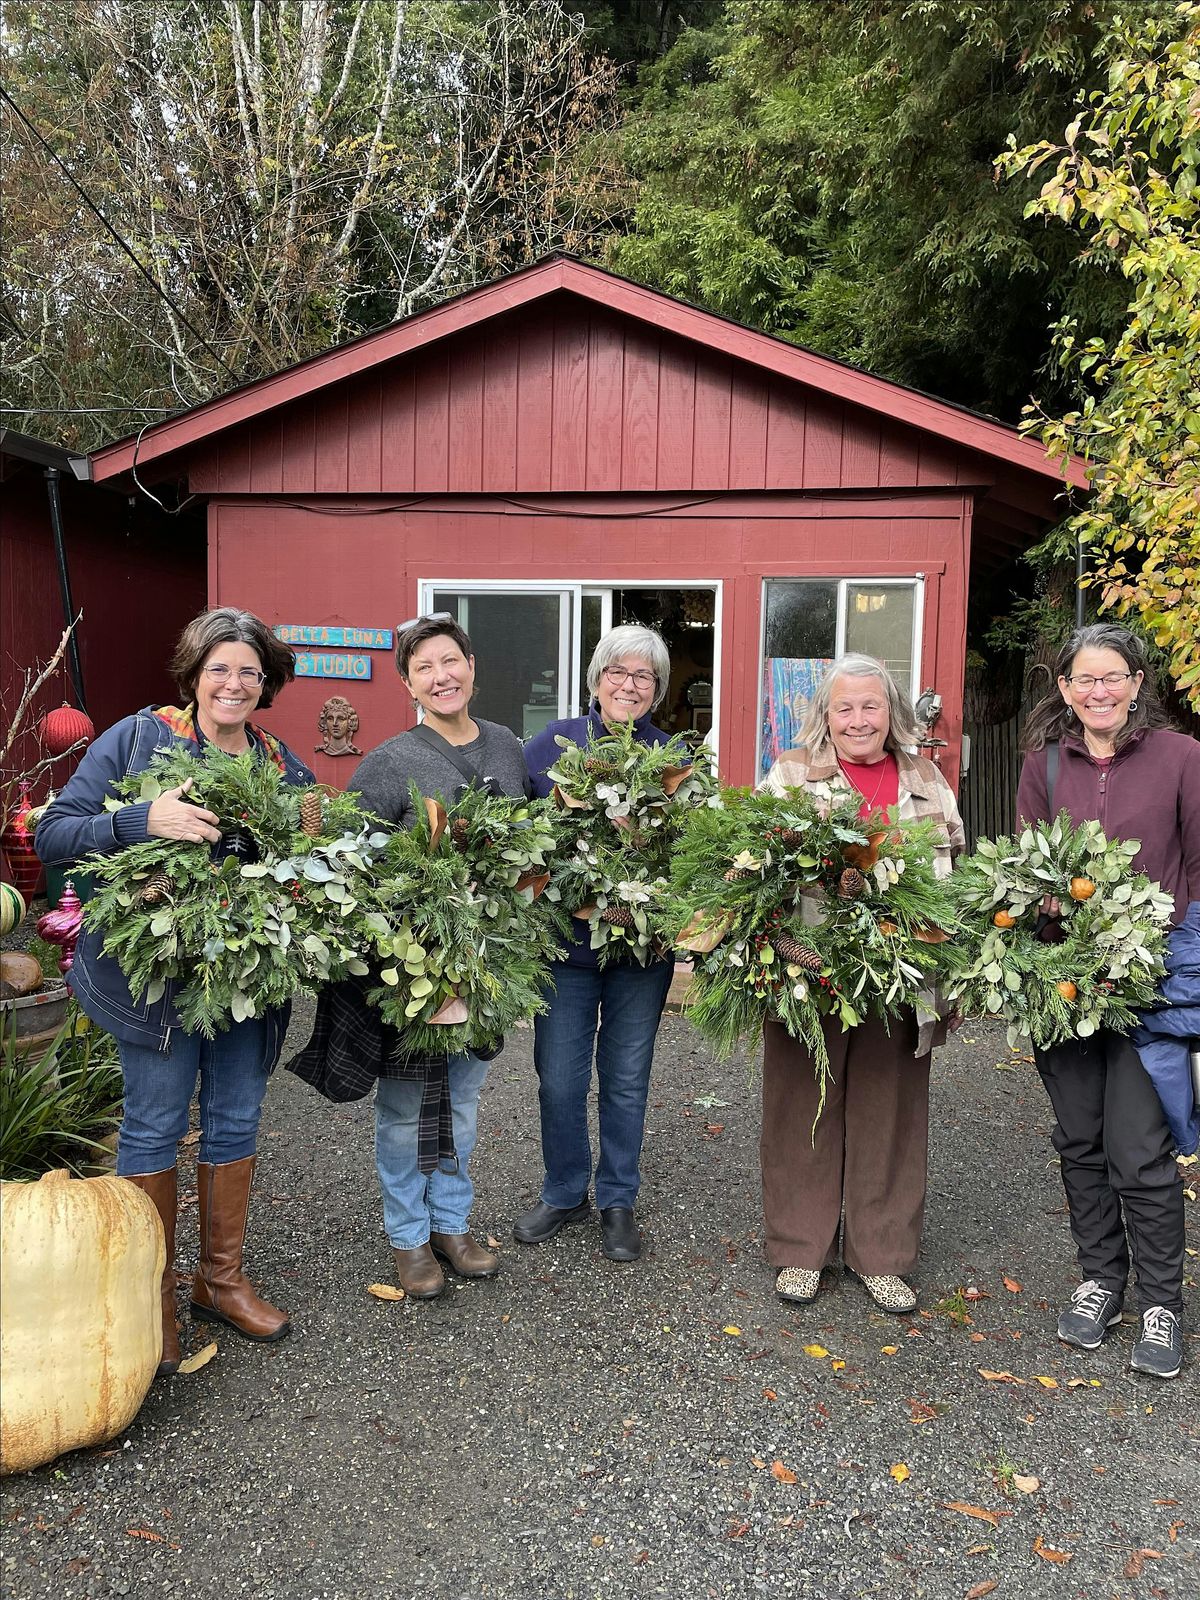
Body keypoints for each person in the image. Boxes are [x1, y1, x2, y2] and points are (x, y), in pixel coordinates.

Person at [35, 607, 312, 1374]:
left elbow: (311, 858)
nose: (233, 682)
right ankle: (150, 1296)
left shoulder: (282, 767)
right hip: (152, 981)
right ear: (192, 676)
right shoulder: (136, 739)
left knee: (234, 1119)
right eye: (219, 668)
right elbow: (55, 831)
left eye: (249, 671)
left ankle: (219, 1282)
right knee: (154, 1124)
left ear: (268, 683)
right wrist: (136, 819)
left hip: (245, 982)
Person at [1016, 623, 1200, 1380]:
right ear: (1064, 689)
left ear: (1136, 683)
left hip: (1152, 989)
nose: (1099, 692)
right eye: (1084, 680)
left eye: (1112, 677)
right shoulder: (1042, 768)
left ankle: (1163, 1303)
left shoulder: (1183, 759)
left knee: (1139, 1149)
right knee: (1081, 1142)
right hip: (1065, 985)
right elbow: (1025, 870)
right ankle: (1101, 1282)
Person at [758, 652, 964, 1314]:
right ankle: (800, 1249)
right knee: (803, 1102)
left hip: (902, 978)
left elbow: (955, 884)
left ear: (892, 712)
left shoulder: (927, 782)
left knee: (891, 1108)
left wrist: (950, 978)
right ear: (825, 715)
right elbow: (755, 873)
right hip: (811, 972)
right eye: (843, 707)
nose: (857, 719)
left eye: (870, 705)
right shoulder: (792, 776)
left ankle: (881, 1254)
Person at [348, 614, 529, 1299]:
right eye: (424, 667)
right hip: (416, 969)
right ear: (406, 682)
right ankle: (408, 1237)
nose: (441, 676)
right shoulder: (390, 762)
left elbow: (536, 840)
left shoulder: (509, 749)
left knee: (461, 1100)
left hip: (486, 966)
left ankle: (452, 1224)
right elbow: (352, 864)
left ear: (472, 665)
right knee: (403, 1106)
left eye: (450, 661)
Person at [516, 624, 678, 1263]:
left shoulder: (673, 761)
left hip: (642, 949)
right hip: (566, 948)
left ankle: (617, 1197)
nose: (629, 685)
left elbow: (690, 856)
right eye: (619, 672)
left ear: (657, 691)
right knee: (558, 1078)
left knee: (627, 1077)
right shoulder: (550, 746)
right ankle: (564, 1189)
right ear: (596, 679)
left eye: (644, 677)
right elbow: (519, 837)